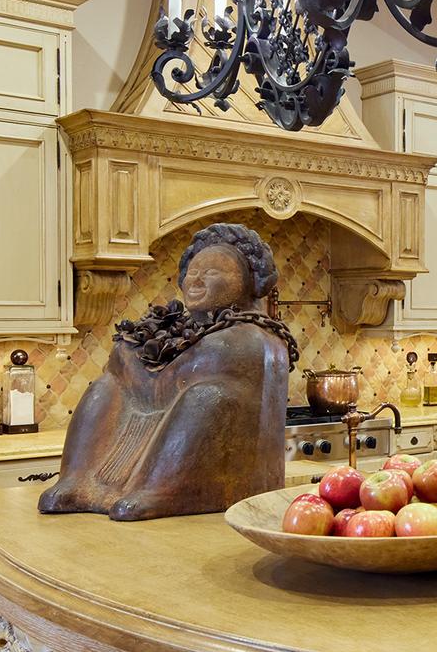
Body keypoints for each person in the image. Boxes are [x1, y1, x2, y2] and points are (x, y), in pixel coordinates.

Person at [39, 223, 295, 521]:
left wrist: (131, 361)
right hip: (148, 426)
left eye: (211, 273)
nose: (196, 281)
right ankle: (78, 480)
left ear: (249, 283)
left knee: (205, 397)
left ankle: (159, 491)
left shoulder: (254, 337)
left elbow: (174, 377)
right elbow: (159, 378)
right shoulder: (189, 333)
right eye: (192, 273)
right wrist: (128, 357)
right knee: (105, 386)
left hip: (219, 467)